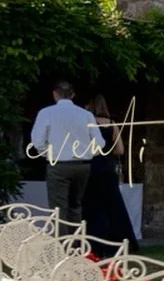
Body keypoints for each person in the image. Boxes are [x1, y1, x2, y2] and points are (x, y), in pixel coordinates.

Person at [28, 82, 102, 238]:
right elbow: (100, 143)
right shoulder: (86, 115)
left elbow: (38, 141)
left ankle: (62, 244)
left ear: (55, 94)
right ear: (73, 94)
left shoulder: (46, 113)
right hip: (82, 165)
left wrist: (48, 154)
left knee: (58, 208)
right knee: (76, 205)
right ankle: (75, 243)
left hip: (58, 165)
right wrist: (87, 153)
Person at [82, 94, 140, 256]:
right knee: (113, 205)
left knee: (92, 206)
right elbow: (120, 150)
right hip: (107, 167)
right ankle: (119, 242)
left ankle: (93, 244)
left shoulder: (86, 123)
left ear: (89, 106)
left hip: (91, 166)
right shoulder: (112, 124)